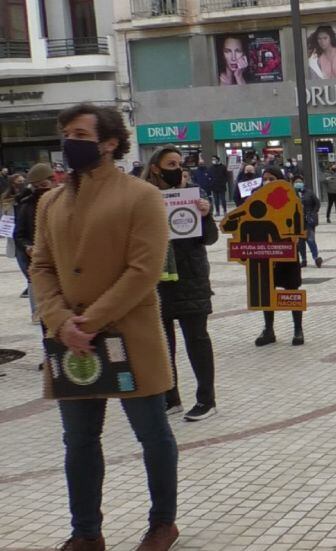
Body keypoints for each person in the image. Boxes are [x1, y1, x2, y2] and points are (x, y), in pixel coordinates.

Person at [31, 103, 180, 551]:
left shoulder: (141, 196)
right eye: (65, 133)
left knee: (152, 435)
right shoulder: (49, 201)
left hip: (128, 337)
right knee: (78, 441)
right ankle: (86, 533)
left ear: (109, 142)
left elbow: (143, 270)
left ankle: (162, 523)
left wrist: (89, 322)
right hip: (70, 346)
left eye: (79, 133)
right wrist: (61, 323)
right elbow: (41, 265)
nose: (68, 141)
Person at [143, 146, 220, 423]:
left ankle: (206, 400)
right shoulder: (143, 198)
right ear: (155, 167)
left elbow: (210, 238)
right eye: (170, 164)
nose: (176, 169)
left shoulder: (195, 195)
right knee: (163, 343)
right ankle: (170, 397)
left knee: (196, 339)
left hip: (191, 277)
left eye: (179, 164)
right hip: (157, 280)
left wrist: (206, 214)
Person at [253, 166, 306, 347]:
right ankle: (269, 329)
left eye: (271, 178)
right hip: (265, 252)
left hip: (287, 251)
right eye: (265, 178)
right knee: (266, 291)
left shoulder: (290, 197)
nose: (267, 182)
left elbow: (300, 223)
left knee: (292, 290)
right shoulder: (257, 198)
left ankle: (298, 329)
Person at [14, 164, 55, 322]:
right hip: (39, 260)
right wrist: (27, 247)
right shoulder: (27, 205)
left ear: (52, 181)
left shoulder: (64, 201)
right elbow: (19, 234)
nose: (40, 190)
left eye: (43, 186)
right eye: (36, 187)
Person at [294, 176, 323, 268]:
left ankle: (316, 257)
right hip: (297, 221)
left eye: (300, 181)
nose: (298, 183)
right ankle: (304, 260)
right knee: (301, 242)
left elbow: (317, 203)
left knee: (310, 239)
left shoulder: (309, 192)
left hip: (309, 220)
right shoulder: (291, 193)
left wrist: (312, 213)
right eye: (296, 182)